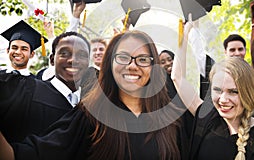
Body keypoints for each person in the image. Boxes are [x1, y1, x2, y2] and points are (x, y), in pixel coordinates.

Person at [0, 30, 190, 160]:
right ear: (109, 64)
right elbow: (29, 154)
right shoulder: (91, 116)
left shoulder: (172, 118)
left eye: (142, 59)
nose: (132, 65)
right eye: (123, 57)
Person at [171, 15, 254, 159]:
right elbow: (178, 77)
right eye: (217, 90)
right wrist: (185, 33)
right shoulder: (208, 119)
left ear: (248, 92)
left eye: (233, 92)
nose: (223, 99)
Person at [0, 31, 90, 143]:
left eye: (82, 55)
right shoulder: (28, 92)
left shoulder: (92, 105)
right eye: (64, 53)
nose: (73, 60)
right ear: (52, 60)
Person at [200, 0, 254, 98]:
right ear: (225, 52)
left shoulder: (251, 77)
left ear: (245, 51)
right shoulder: (216, 73)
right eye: (232, 50)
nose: (237, 53)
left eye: (240, 49)